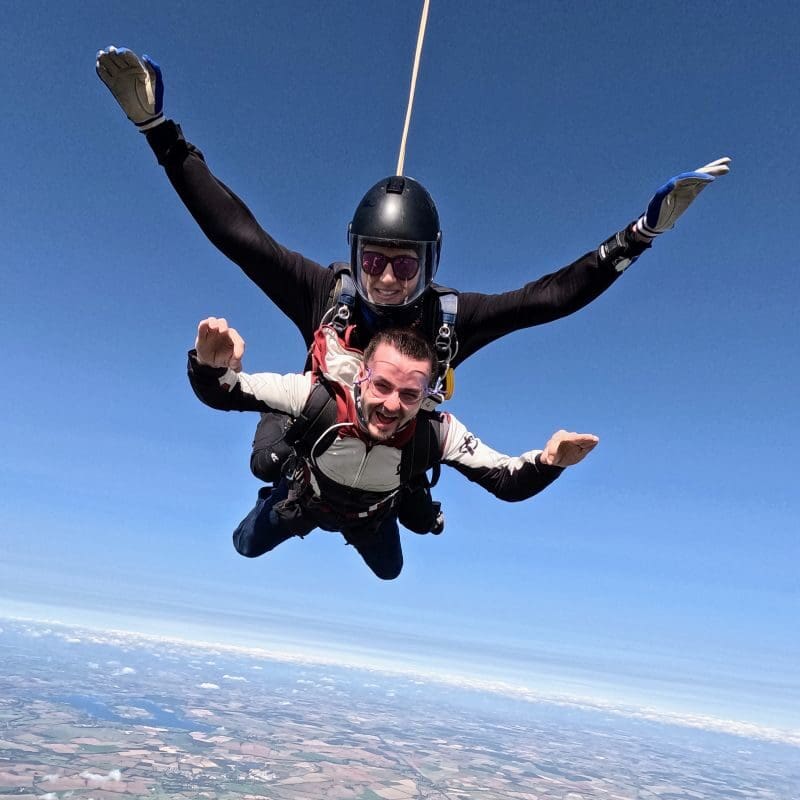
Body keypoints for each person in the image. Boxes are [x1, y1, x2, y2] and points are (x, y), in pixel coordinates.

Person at [96, 46, 730, 530]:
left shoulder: (452, 320)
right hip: (313, 450)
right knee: (266, 481)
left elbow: (551, 298)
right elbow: (239, 236)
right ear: (354, 255)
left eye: (407, 265)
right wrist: (159, 131)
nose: (389, 277)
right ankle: (291, 497)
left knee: (395, 538)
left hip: (389, 466)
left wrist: (639, 236)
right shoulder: (324, 293)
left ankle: (402, 504)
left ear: (431, 264)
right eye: (375, 260)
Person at [189, 317, 599, 579]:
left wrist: (548, 463)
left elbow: (506, 481)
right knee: (244, 544)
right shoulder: (317, 396)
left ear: (427, 397)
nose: (390, 404)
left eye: (409, 394)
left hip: (369, 515)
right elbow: (226, 394)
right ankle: (279, 440)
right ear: (361, 377)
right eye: (382, 385)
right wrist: (211, 368)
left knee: (390, 571)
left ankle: (404, 500)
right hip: (304, 497)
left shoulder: (437, 433)